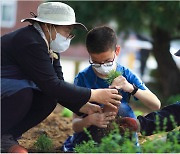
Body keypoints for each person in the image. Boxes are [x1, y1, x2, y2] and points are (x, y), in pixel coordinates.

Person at [1, 2, 122, 153]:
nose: (68, 37)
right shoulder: (29, 41)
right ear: (47, 26)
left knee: (48, 98)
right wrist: (95, 94)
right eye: (66, 31)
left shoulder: (50, 47)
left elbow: (57, 85)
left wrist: (81, 106)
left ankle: (7, 136)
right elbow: (52, 85)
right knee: (22, 93)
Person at [61, 26, 161, 152]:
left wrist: (131, 88)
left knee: (123, 108)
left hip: (120, 135)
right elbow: (75, 125)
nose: (102, 67)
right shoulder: (82, 78)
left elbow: (156, 104)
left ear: (117, 51)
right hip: (89, 138)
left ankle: (125, 146)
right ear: (89, 54)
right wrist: (90, 120)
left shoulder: (125, 74)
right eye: (96, 62)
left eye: (108, 61)